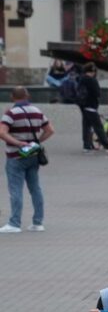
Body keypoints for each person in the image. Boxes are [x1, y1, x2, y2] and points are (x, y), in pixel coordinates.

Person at [0, 87, 52, 235]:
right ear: (27, 95)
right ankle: (38, 222)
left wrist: (17, 143)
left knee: (16, 189)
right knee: (35, 188)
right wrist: (36, 142)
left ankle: (14, 223)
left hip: (15, 156)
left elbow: (2, 132)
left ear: (12, 97)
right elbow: (50, 130)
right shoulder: (37, 111)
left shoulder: (10, 114)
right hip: (33, 155)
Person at [78, 63, 108, 152]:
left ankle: (86, 146)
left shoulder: (81, 79)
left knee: (86, 126)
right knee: (98, 126)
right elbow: (97, 94)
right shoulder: (92, 80)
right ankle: (106, 144)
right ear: (93, 72)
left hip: (83, 105)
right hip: (91, 106)